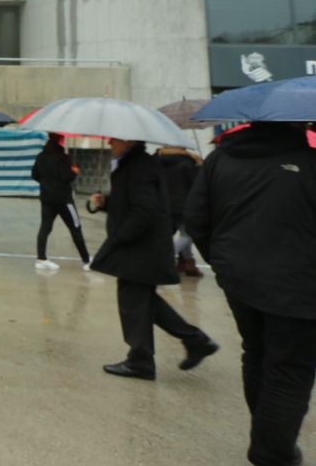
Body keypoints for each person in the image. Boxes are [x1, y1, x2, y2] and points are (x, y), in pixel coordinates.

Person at [186, 122, 316, 466]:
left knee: (258, 357)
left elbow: (196, 221)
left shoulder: (220, 159)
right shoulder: (306, 162)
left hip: (241, 282)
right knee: (288, 374)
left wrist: (225, 264)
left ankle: (274, 446)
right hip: (299, 288)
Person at [87, 137, 217, 381]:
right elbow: (134, 203)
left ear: (128, 141)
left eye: (114, 140)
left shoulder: (139, 166)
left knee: (133, 301)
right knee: (143, 302)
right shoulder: (137, 163)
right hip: (143, 249)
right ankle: (194, 341)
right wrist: (106, 203)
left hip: (140, 250)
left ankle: (142, 360)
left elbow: (144, 210)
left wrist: (118, 238)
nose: (109, 143)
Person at [30, 133, 91, 270]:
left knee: (45, 227)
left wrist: (46, 184)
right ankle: (86, 261)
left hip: (46, 198)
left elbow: (34, 174)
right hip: (64, 200)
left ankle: (41, 259)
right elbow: (66, 177)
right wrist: (74, 171)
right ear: (61, 140)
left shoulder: (41, 156)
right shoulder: (63, 157)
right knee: (75, 228)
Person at [155, 145, 204, 277]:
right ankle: (163, 259)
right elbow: (198, 184)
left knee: (181, 234)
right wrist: (200, 165)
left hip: (164, 204)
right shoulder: (188, 162)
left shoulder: (157, 159)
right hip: (184, 205)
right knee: (188, 235)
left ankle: (189, 264)